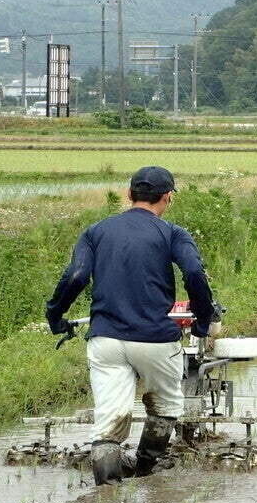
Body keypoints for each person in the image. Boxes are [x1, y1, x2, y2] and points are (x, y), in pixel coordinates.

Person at [45, 165, 217, 485]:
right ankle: (144, 472)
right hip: (156, 340)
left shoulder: (95, 231)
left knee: (108, 424)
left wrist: (55, 315)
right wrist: (203, 321)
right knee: (164, 408)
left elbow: (76, 276)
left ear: (129, 195)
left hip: (106, 340)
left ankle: (106, 499)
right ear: (168, 198)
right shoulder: (173, 233)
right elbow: (194, 272)